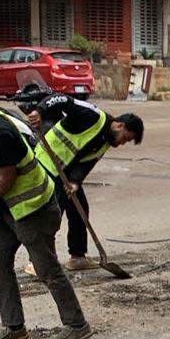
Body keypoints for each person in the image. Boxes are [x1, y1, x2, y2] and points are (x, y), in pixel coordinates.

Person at [0, 76, 91, 339]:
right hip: (8, 206)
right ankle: (14, 327)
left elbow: (8, 176)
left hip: (34, 207)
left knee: (46, 268)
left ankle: (77, 325)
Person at [18, 83, 144, 270]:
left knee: (79, 209)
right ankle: (37, 262)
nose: (122, 143)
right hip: (48, 161)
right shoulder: (92, 115)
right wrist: (40, 110)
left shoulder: (106, 142)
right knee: (53, 213)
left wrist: (75, 182)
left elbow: (86, 164)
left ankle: (77, 256)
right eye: (125, 138)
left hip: (66, 172)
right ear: (119, 125)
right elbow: (61, 99)